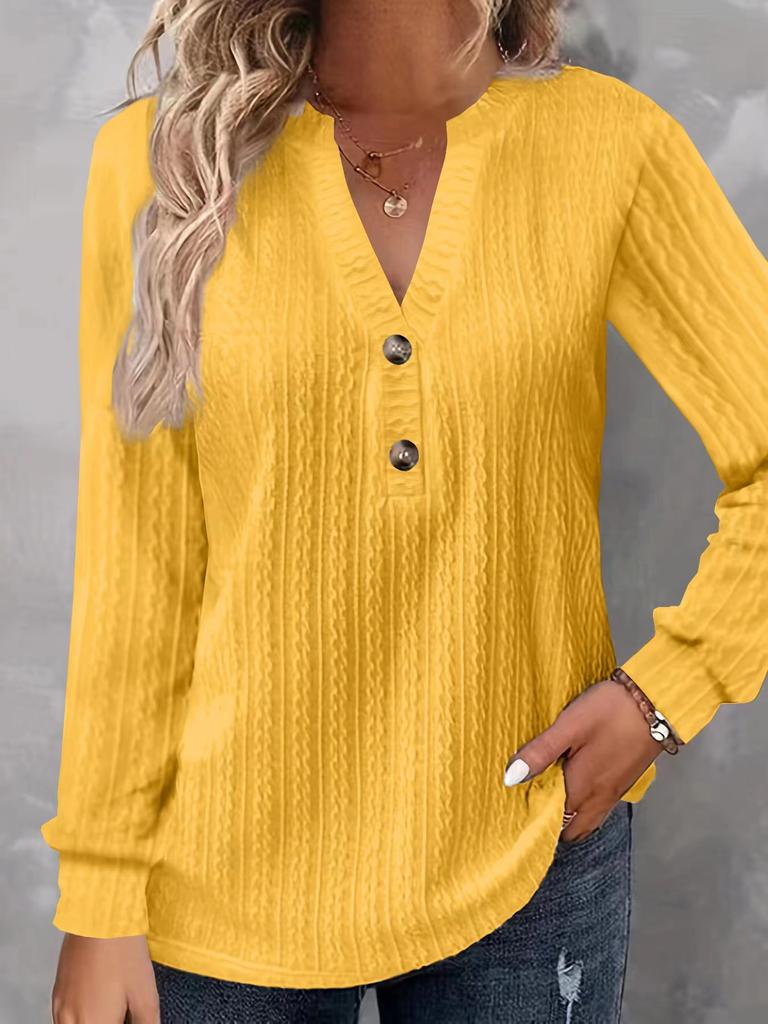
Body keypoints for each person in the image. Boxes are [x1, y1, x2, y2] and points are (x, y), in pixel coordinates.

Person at [42, 1, 768, 1022]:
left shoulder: (609, 144)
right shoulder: (162, 163)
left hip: (530, 861)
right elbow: (137, 563)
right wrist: (102, 890)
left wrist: (670, 691)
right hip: (216, 894)